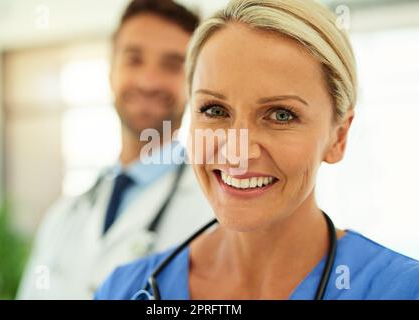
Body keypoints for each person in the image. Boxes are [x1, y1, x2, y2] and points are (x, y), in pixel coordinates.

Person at [95, 0, 419, 300]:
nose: (237, 152)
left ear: (339, 138)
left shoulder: (401, 289)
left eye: (281, 115)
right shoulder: (123, 290)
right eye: (214, 110)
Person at [17, 0, 213, 299]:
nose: (149, 81)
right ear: (110, 72)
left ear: (193, 83)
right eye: (134, 59)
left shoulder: (214, 217)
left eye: (172, 64)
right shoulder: (63, 218)